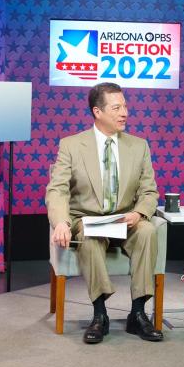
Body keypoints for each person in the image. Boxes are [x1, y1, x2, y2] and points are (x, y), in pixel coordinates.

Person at [46, 82, 162, 344]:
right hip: (88, 219)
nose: (125, 113)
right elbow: (57, 190)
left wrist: (140, 214)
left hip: (125, 219)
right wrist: (62, 223)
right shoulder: (72, 145)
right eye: (117, 107)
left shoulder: (139, 146)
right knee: (89, 236)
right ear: (97, 112)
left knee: (147, 232)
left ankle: (138, 313)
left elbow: (149, 192)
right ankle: (100, 314)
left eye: (126, 106)